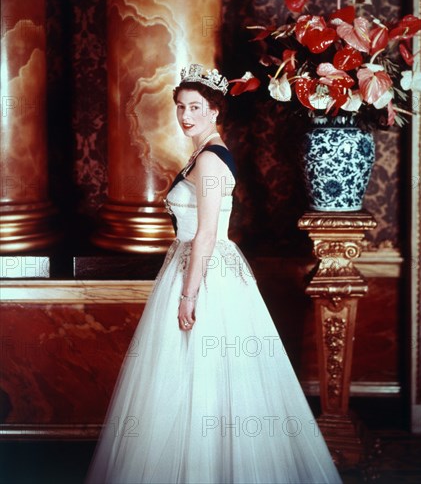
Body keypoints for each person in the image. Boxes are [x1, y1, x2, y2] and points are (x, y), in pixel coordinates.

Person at [85, 64, 342, 484]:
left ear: (214, 111)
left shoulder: (209, 161)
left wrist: (189, 295)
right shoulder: (202, 154)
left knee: (207, 371)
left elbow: (205, 234)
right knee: (185, 374)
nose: (186, 116)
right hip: (193, 265)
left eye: (195, 107)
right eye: (181, 107)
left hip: (204, 274)